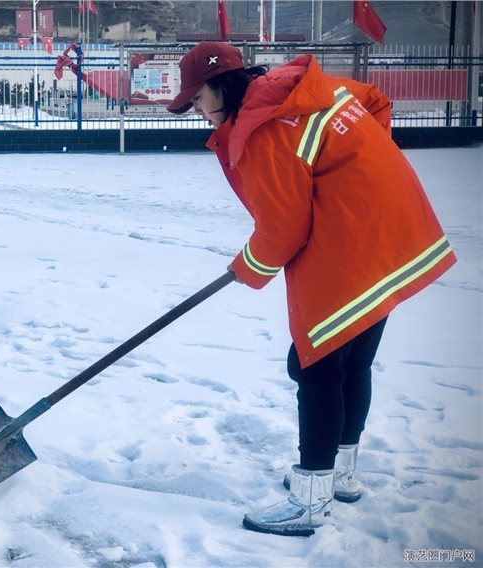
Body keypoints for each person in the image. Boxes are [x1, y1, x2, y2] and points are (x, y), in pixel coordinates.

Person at [167, 42, 456, 537]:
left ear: (225, 85)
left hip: (350, 246)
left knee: (314, 363)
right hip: (397, 228)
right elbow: (375, 101)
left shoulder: (263, 130)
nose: (195, 108)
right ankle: (339, 474)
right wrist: (359, 171)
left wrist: (247, 267)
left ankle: (311, 498)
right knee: (351, 360)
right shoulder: (307, 89)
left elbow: (283, 230)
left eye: (198, 98)